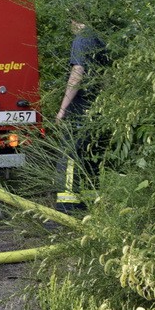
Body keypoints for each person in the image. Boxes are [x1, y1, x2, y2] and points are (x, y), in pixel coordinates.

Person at [55, 10, 106, 204]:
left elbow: (77, 72)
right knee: (90, 156)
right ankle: (91, 204)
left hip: (81, 109)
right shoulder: (99, 39)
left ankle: (67, 207)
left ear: (74, 20)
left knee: (70, 156)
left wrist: (63, 109)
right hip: (97, 108)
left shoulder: (81, 40)